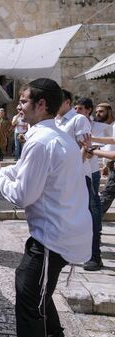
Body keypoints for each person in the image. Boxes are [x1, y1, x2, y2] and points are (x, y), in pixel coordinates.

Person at [0, 78, 91, 337]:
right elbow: (21, 170)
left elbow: (22, 195)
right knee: (37, 293)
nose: (17, 107)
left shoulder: (41, 141)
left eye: (22, 101)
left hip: (52, 238)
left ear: (41, 104)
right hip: (64, 233)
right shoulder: (55, 137)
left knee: (28, 294)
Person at [74, 97, 104, 271]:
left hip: (90, 171)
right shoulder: (74, 123)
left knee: (93, 208)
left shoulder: (97, 126)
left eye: (80, 109)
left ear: (88, 110)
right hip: (79, 171)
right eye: (76, 108)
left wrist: (90, 149)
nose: (77, 112)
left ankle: (95, 253)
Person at [93, 103, 115, 214]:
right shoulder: (103, 128)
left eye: (101, 111)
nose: (98, 114)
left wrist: (93, 151)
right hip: (111, 165)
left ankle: (94, 223)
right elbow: (108, 146)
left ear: (109, 111)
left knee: (106, 195)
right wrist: (106, 165)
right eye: (96, 112)